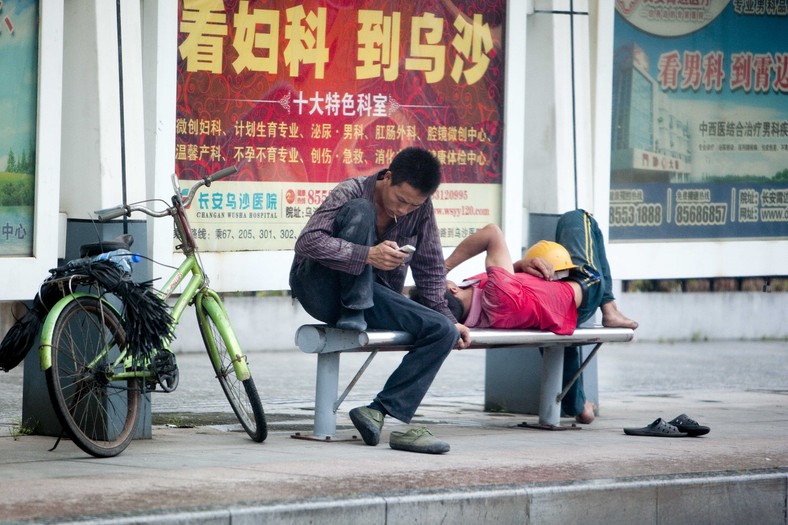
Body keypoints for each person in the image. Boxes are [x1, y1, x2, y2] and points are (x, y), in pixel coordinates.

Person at [289, 147, 471, 454]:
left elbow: (428, 266)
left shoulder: (420, 210)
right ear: (387, 177)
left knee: (442, 331)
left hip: (372, 295)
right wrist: (366, 254)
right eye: (401, 200)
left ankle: (379, 410)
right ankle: (353, 307)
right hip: (319, 287)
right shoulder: (352, 190)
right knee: (362, 211)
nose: (405, 210)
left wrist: (449, 316)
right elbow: (308, 242)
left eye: (415, 205)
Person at [439, 209, 638, 424]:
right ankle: (609, 308)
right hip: (583, 291)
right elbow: (491, 233)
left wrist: (521, 265)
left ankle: (579, 406)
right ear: (452, 290)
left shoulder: (478, 308)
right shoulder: (497, 293)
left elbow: (508, 283)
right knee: (578, 218)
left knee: (558, 341)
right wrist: (442, 269)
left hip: (552, 313)